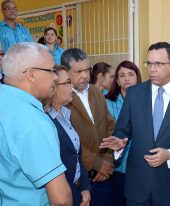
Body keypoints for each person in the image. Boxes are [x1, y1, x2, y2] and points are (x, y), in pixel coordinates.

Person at [100, 42, 170, 206]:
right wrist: (120, 141)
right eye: (149, 63)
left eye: (158, 64)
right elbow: (122, 129)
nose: (151, 69)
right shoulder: (134, 93)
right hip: (137, 187)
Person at [0, 42, 72, 205]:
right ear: (31, 75)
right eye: (52, 70)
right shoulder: (32, 121)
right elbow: (61, 199)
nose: (55, 77)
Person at [61, 48, 115, 206]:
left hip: (104, 176)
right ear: (66, 71)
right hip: (78, 179)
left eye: (87, 69)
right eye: (78, 71)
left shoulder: (96, 92)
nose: (85, 75)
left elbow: (110, 127)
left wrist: (107, 159)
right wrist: (96, 163)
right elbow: (65, 141)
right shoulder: (60, 98)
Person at [45, 65, 91, 206]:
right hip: (63, 196)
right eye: (67, 82)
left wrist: (84, 187)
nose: (72, 87)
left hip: (77, 191)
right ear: (54, 87)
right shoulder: (45, 121)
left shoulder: (65, 114)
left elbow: (77, 156)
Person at [105, 60, 142, 206]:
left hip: (142, 163)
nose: (126, 78)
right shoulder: (107, 102)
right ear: (118, 81)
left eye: (131, 74)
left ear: (137, 78)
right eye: (122, 75)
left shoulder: (149, 101)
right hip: (118, 165)